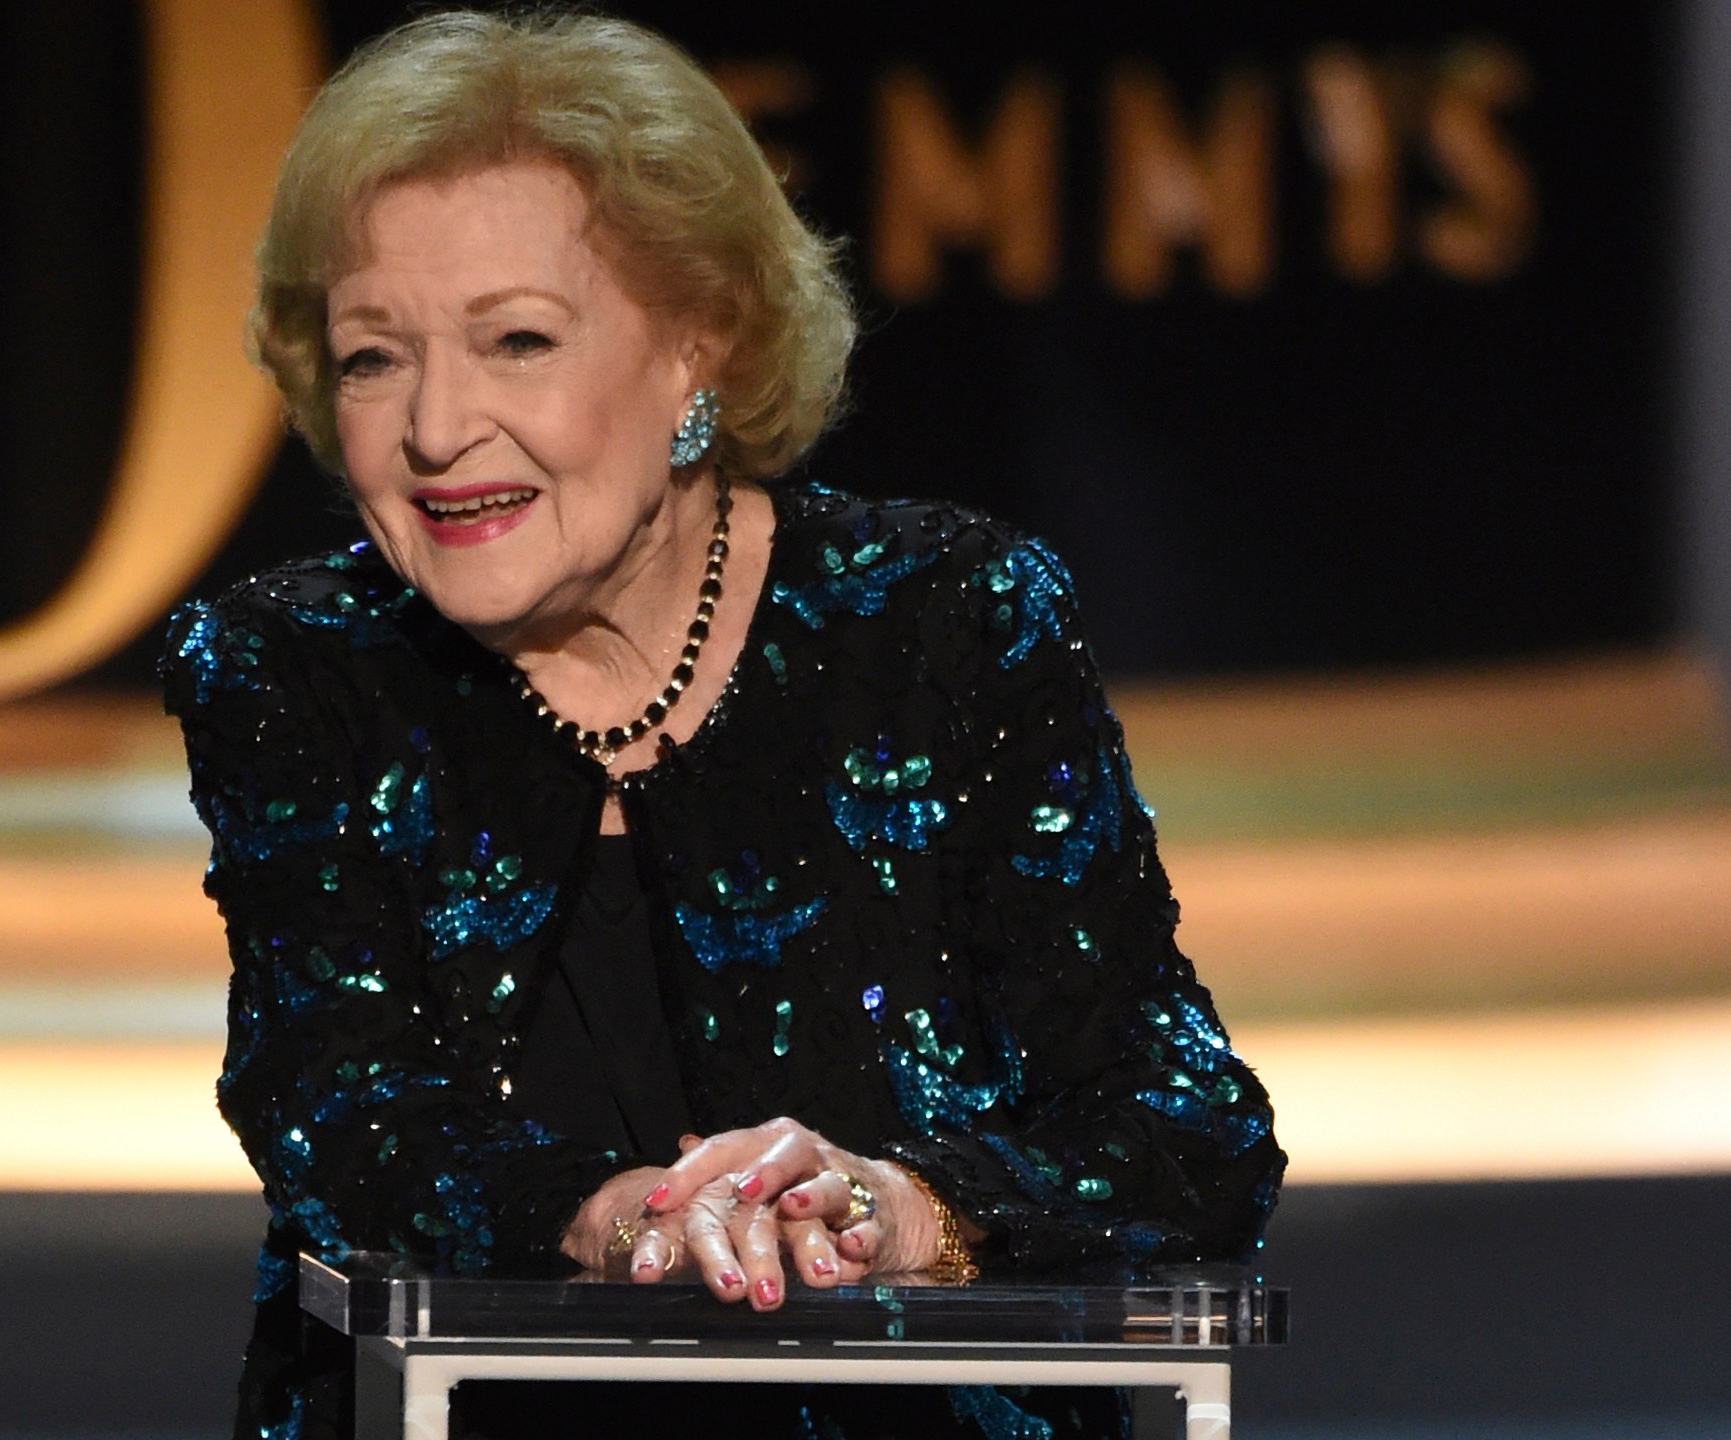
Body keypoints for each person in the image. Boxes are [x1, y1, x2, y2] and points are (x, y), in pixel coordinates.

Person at [162, 12, 1285, 1438]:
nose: (435, 426)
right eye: (374, 356)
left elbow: (1186, 1132)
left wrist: (904, 1208)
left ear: (699, 344)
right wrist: (614, 1217)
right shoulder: (294, 668)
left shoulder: (945, 623)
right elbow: (338, 1114)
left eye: (515, 340)